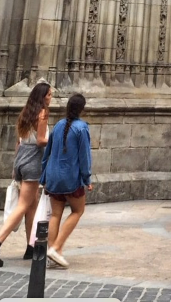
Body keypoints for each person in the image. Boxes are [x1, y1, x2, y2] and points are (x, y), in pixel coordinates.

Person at [0, 80, 52, 267]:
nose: (51, 98)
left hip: (21, 159)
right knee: (23, 205)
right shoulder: (42, 113)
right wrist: (54, 141)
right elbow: (40, 141)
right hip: (33, 160)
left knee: (32, 204)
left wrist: (15, 166)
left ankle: (31, 247)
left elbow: (19, 142)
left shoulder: (25, 113)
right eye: (49, 95)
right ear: (42, 97)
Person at [42, 91, 94, 269]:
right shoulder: (81, 128)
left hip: (53, 176)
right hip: (70, 177)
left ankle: (52, 253)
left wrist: (44, 176)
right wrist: (87, 179)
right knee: (77, 211)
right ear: (82, 109)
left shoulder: (58, 125)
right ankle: (56, 249)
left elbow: (46, 153)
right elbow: (84, 157)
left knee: (55, 214)